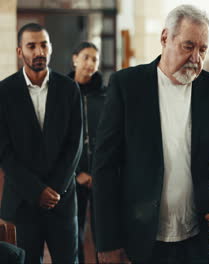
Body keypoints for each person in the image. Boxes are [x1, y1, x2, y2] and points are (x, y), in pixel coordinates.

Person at [92, 5, 209, 264]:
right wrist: (108, 242)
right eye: (188, 46)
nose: (196, 58)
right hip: (141, 233)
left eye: (203, 49)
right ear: (165, 38)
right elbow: (104, 167)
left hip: (197, 231)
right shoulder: (127, 86)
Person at [0, 23, 82, 263]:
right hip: (22, 201)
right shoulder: (4, 92)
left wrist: (54, 190)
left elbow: (74, 144)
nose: (39, 51)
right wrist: (37, 191)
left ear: (51, 48)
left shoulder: (70, 89)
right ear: (19, 52)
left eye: (44, 45)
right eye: (31, 46)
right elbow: (4, 151)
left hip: (62, 199)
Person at [68, 41, 105, 264]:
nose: (90, 63)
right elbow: (60, 140)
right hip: (73, 177)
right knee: (75, 231)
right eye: (86, 57)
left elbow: (110, 139)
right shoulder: (63, 92)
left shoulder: (105, 95)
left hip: (100, 176)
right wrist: (77, 173)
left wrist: (97, 172)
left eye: (95, 59)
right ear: (75, 59)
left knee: (104, 232)